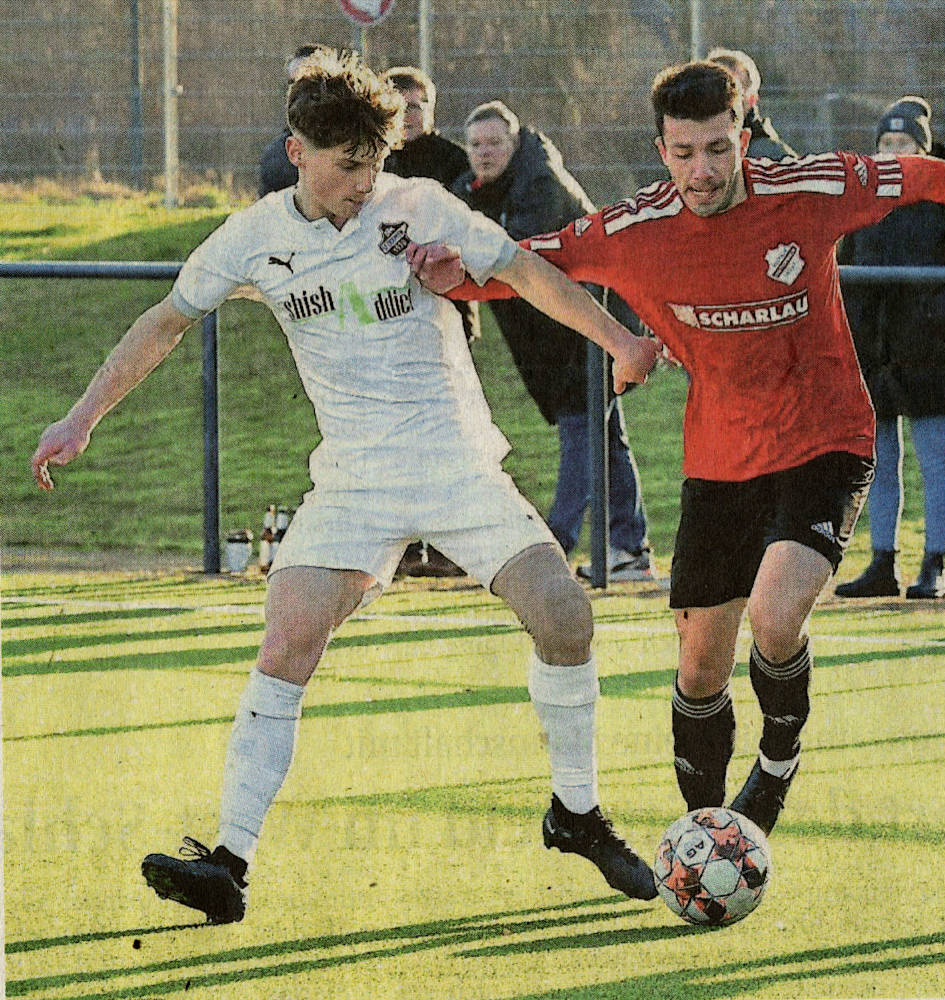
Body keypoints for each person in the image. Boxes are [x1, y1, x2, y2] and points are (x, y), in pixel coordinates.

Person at [30, 49, 662, 925]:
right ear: (297, 151)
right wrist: (83, 416)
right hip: (355, 483)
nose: (364, 185)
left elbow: (524, 271)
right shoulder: (255, 236)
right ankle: (228, 864)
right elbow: (165, 323)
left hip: (455, 466)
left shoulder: (420, 205)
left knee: (566, 617)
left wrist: (616, 341)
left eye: (375, 163)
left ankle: (578, 815)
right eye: (345, 167)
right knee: (287, 639)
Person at [417, 61, 945, 836]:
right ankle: (705, 832)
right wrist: (452, 277)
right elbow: (529, 265)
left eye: (716, 148)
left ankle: (776, 763)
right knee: (699, 665)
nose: (701, 171)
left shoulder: (806, 188)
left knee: (775, 619)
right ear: (659, 148)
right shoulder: (632, 230)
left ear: (743, 136)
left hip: (826, 438)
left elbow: (924, 175)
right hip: (720, 459)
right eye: (682, 152)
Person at [452, 100, 654, 581]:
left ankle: (554, 544)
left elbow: (509, 254)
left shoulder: (541, 184)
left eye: (494, 142)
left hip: (593, 324)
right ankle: (630, 549)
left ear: (515, 142)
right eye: (475, 145)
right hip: (558, 336)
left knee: (583, 432)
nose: (484, 153)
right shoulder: (477, 190)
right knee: (606, 438)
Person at [835, 97, 945, 600]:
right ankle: (882, 562)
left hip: (926, 355)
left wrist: (932, 314)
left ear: (923, 150)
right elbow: (842, 272)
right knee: (879, 463)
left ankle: (936, 564)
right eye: (886, 143)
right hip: (874, 359)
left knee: (932, 458)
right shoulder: (862, 202)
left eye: (903, 143)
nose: (893, 152)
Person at [382, 64, 478, 579]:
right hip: (382, 313)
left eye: (416, 105)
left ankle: (449, 545)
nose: (409, 115)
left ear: (431, 108)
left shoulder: (450, 161)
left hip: (443, 310)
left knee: (447, 430)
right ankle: (398, 544)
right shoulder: (372, 161)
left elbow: (464, 228)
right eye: (399, 105)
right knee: (395, 433)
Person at [257, 44, 327, 197]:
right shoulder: (277, 158)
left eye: (312, 84)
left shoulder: (364, 151)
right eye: (293, 85)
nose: (302, 95)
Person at [706, 47, 797, 160]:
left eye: (731, 92)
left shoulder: (772, 157)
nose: (718, 99)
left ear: (752, 99)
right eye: (710, 89)